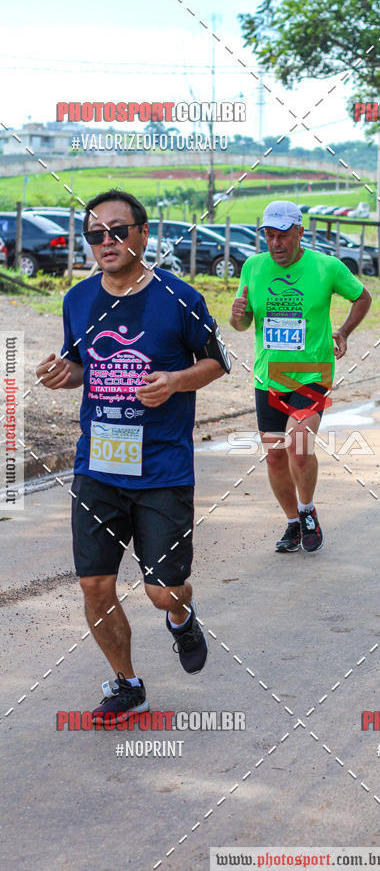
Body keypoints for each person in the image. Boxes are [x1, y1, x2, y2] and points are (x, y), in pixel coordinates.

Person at [36, 189, 230, 725]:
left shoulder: (181, 296)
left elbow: (217, 361)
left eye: (118, 230)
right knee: (94, 585)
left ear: (143, 234)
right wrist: (63, 374)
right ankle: (127, 685)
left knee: (162, 592)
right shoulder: (78, 300)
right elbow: (81, 366)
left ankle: (181, 617)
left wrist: (175, 381)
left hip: (163, 467)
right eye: (96, 234)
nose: (107, 242)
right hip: (97, 464)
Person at [229, 200, 371, 553]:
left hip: (312, 372)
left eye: (283, 236)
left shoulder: (327, 267)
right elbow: (242, 324)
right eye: (269, 236)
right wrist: (237, 316)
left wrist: (344, 332)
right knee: (276, 455)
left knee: (298, 444)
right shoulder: (253, 266)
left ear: (300, 233)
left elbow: (362, 297)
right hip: (268, 375)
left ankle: (308, 511)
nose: (275, 243)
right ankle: (293, 524)